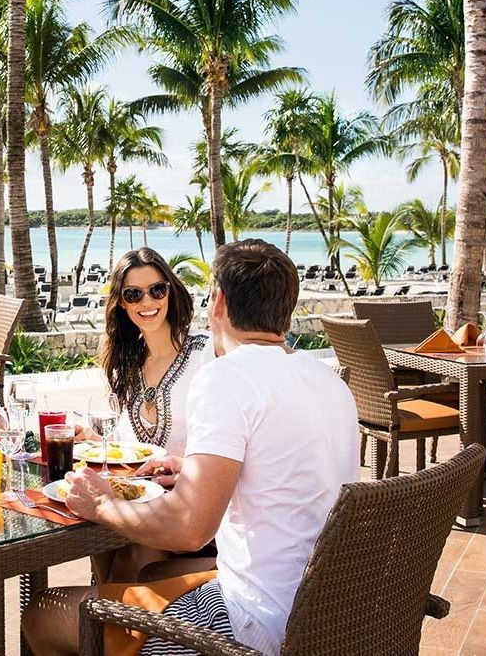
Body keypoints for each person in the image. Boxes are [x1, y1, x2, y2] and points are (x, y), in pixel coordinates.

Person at [22, 239, 359, 656]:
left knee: (42, 612)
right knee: (144, 574)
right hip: (327, 606)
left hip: (251, 623)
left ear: (216, 303)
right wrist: (192, 467)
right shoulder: (327, 379)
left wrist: (101, 506)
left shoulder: (224, 377)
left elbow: (188, 529)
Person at [91, 247, 215, 583]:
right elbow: (123, 447)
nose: (147, 302)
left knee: (131, 551)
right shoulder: (127, 366)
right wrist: (91, 439)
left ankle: (110, 622)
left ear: (171, 292)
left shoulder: (206, 354)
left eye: (157, 290)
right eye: (134, 294)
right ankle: (106, 620)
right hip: (142, 499)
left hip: (195, 508)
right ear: (121, 303)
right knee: (98, 536)